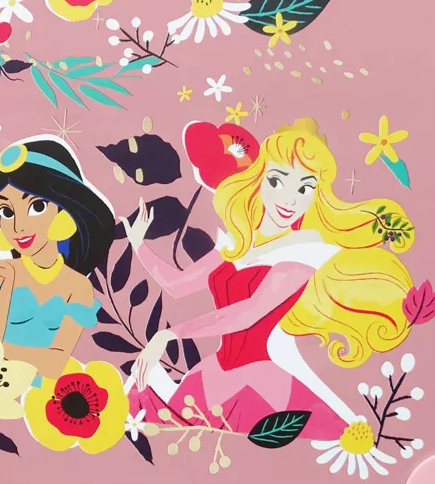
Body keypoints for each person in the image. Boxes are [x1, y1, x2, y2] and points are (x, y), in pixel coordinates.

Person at [126, 117, 415, 437]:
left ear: (316, 196)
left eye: (304, 188)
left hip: (262, 380)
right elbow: (177, 286)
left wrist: (169, 335)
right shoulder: (238, 243)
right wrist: (139, 245)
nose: (290, 200)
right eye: (278, 181)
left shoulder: (304, 251)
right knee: (148, 416)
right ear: (259, 179)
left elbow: (246, 314)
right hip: (214, 372)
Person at [0, 138, 116, 379]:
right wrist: (8, 281)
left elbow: (54, 365)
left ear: (64, 211)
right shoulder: (2, 273)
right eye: (7, 212)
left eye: (37, 207)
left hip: (46, 392)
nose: (18, 226)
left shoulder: (78, 287)